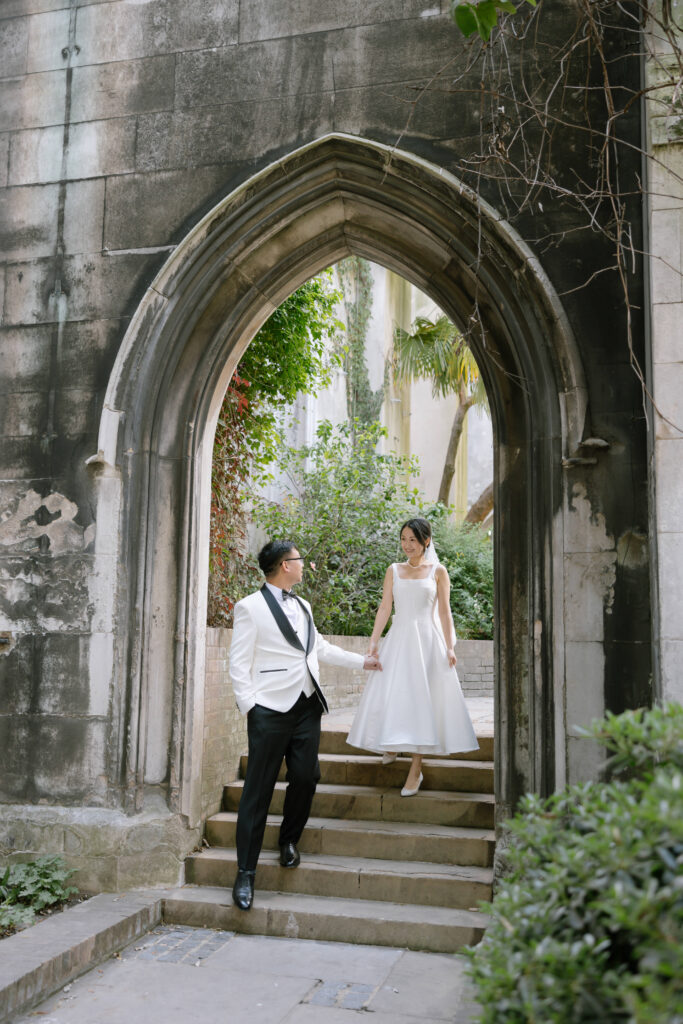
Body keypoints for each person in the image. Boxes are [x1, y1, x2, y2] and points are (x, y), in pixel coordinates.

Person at [229, 539, 382, 911]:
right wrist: (252, 708)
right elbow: (237, 663)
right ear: (284, 566)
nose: (304, 566)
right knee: (258, 790)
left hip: (307, 705)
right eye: (299, 560)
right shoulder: (249, 608)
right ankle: (245, 873)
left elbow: (319, 649)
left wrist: (363, 662)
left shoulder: (303, 605)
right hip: (269, 709)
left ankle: (288, 840)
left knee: (306, 775)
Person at [347, 517, 478, 795]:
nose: (407, 545)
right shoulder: (393, 570)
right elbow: (385, 607)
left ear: (426, 541)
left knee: (422, 699)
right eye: (404, 539)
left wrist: (450, 646)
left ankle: (415, 770)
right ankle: (392, 743)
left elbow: (444, 612)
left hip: (427, 641)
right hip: (399, 638)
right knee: (395, 693)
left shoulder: (438, 571)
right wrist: (373, 642)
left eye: (413, 540)